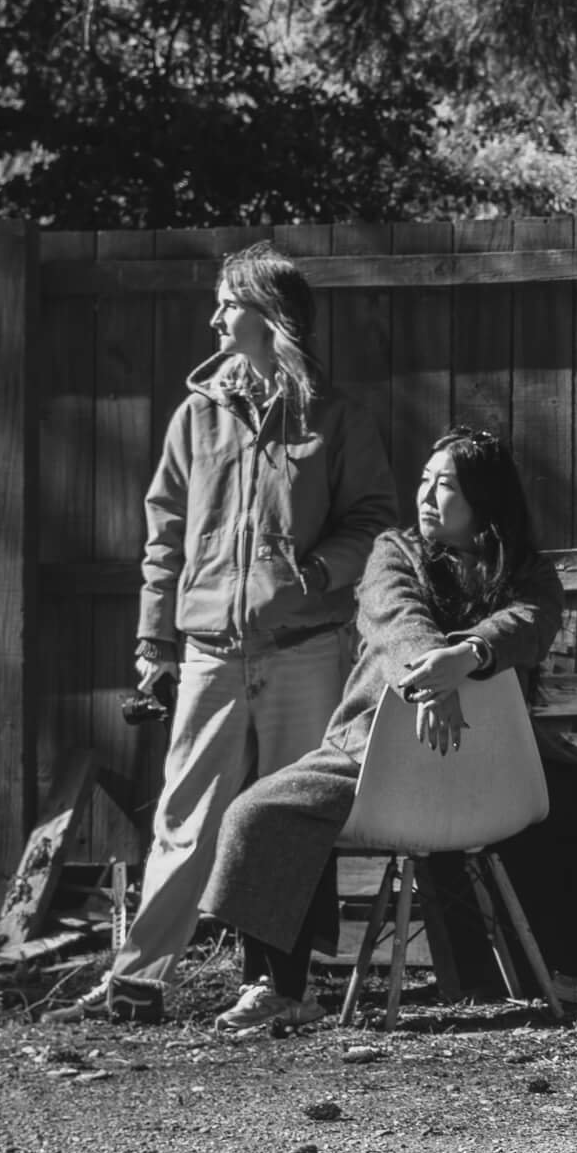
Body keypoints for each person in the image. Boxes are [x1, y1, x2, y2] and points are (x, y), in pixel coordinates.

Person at [194, 425, 577, 1029]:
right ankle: (280, 987)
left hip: (498, 763)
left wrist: (471, 654)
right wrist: (437, 672)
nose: (426, 496)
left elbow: (531, 621)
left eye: (445, 485)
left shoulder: (526, 572)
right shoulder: (393, 551)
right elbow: (396, 616)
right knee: (260, 813)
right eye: (423, 482)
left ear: (484, 498)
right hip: (371, 754)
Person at [48, 242, 396, 1024]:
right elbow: (164, 536)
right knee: (184, 814)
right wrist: (152, 644)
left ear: (270, 316)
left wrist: (315, 573)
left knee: (287, 818)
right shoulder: (195, 416)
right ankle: (137, 982)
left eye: (227, 303)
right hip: (209, 651)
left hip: (305, 650)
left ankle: (278, 988)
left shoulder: (334, 418)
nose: (214, 317)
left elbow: (375, 522)